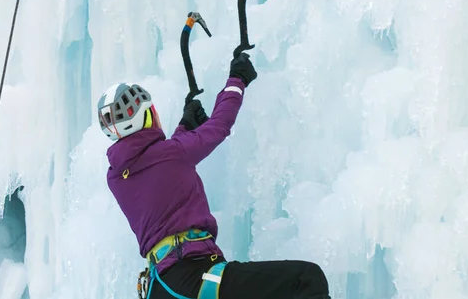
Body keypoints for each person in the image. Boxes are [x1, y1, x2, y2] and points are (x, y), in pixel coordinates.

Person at [97, 52, 331, 299]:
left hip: (162, 287)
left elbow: (161, 165)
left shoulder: (115, 177)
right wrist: (236, 81)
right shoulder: (173, 153)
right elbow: (219, 125)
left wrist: (185, 126)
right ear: (146, 115)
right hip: (194, 273)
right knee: (306, 279)